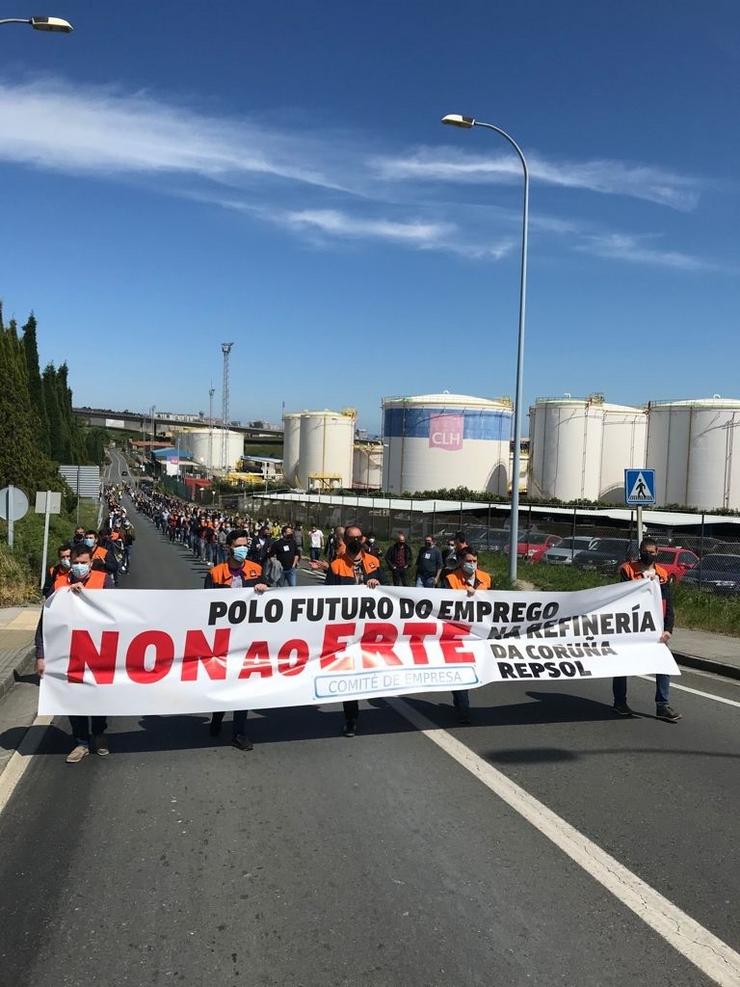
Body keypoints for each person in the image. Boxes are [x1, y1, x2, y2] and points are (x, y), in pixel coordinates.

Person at [35, 544, 115, 763]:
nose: (79, 566)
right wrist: (40, 655)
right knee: (73, 698)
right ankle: (81, 742)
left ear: (91, 562)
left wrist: (86, 596)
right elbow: (46, 621)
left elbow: (115, 613)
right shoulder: (59, 584)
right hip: (68, 653)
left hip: (99, 650)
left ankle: (99, 734)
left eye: (84, 563)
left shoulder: (103, 581)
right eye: (76, 562)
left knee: (98, 696)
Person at [318, 523, 385, 737]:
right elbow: (329, 597)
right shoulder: (337, 565)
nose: (356, 541)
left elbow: (390, 591)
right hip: (348, 627)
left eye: (359, 537)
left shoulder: (373, 562)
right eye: (351, 538)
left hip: (372, 625)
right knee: (350, 672)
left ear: (363, 539)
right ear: (344, 541)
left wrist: (377, 582)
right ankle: (351, 718)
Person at [204, 529, 269, 750]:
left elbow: (270, 604)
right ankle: (217, 717)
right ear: (229, 547)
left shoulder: (256, 570)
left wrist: (264, 589)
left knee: (244, 685)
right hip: (223, 639)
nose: (243, 548)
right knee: (223, 683)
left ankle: (239, 732)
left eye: (245, 544)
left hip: (249, 638)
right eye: (239, 545)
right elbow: (204, 606)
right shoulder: (216, 573)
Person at [612, 537, 680, 722]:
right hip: (631, 627)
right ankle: (620, 702)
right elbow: (622, 596)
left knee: (663, 664)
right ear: (640, 551)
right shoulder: (628, 569)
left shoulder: (663, 574)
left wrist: (668, 629)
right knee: (623, 664)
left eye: (652, 552)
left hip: (655, 629)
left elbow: (668, 605)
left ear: (657, 553)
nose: (648, 555)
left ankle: (662, 705)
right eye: (645, 551)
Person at [443, 548, 492, 724]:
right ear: (461, 562)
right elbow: (444, 604)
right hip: (457, 631)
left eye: (474, 561)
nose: (471, 564)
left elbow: (497, 601)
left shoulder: (485, 578)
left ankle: (460, 701)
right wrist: (465, 596)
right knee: (461, 668)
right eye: (468, 561)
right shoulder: (451, 579)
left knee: (477, 667)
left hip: (479, 631)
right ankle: (463, 708)